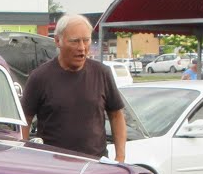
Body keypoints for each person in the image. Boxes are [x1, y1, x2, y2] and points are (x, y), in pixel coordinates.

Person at [21, 13, 126, 161]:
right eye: (75, 41)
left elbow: (116, 115)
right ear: (58, 41)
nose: (82, 47)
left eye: (86, 40)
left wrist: (120, 157)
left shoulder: (102, 73)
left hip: (95, 166)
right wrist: (23, 156)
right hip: (52, 165)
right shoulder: (39, 77)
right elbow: (24, 120)